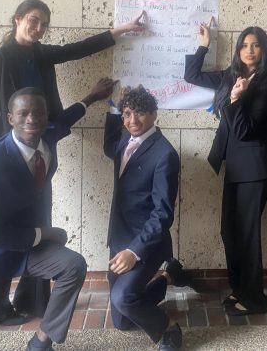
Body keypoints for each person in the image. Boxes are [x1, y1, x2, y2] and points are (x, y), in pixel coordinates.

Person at [0, 0, 144, 324]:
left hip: (41, 153)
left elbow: (77, 49)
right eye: (33, 20)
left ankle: (32, 298)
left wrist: (121, 30)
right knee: (5, 232)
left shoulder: (40, 54)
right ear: (17, 19)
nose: (39, 28)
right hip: (9, 159)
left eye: (44, 23)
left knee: (40, 226)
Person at [0, 78, 116, 351]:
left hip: (26, 250)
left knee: (73, 266)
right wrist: (45, 234)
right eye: (23, 113)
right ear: (10, 118)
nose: (31, 119)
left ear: (46, 116)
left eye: (38, 113)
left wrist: (92, 96)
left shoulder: (47, 138)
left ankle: (40, 342)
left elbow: (65, 121)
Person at [184, 22, 267, 316]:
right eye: (245, 45)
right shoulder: (229, 75)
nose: (250, 50)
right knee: (230, 231)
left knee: (247, 235)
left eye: (256, 45)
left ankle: (254, 299)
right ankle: (240, 289)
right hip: (236, 165)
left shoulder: (265, 85)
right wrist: (204, 44)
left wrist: (236, 99)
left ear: (263, 51)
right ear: (239, 49)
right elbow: (192, 75)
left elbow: (246, 131)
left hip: (255, 168)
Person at [104, 86, 183, 351]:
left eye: (140, 114)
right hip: (119, 235)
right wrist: (114, 109)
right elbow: (109, 145)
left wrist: (134, 251)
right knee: (122, 322)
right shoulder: (125, 141)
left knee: (123, 297)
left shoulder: (165, 155)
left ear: (154, 114)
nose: (132, 120)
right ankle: (165, 279)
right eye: (127, 114)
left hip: (146, 242)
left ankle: (168, 329)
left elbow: (163, 214)